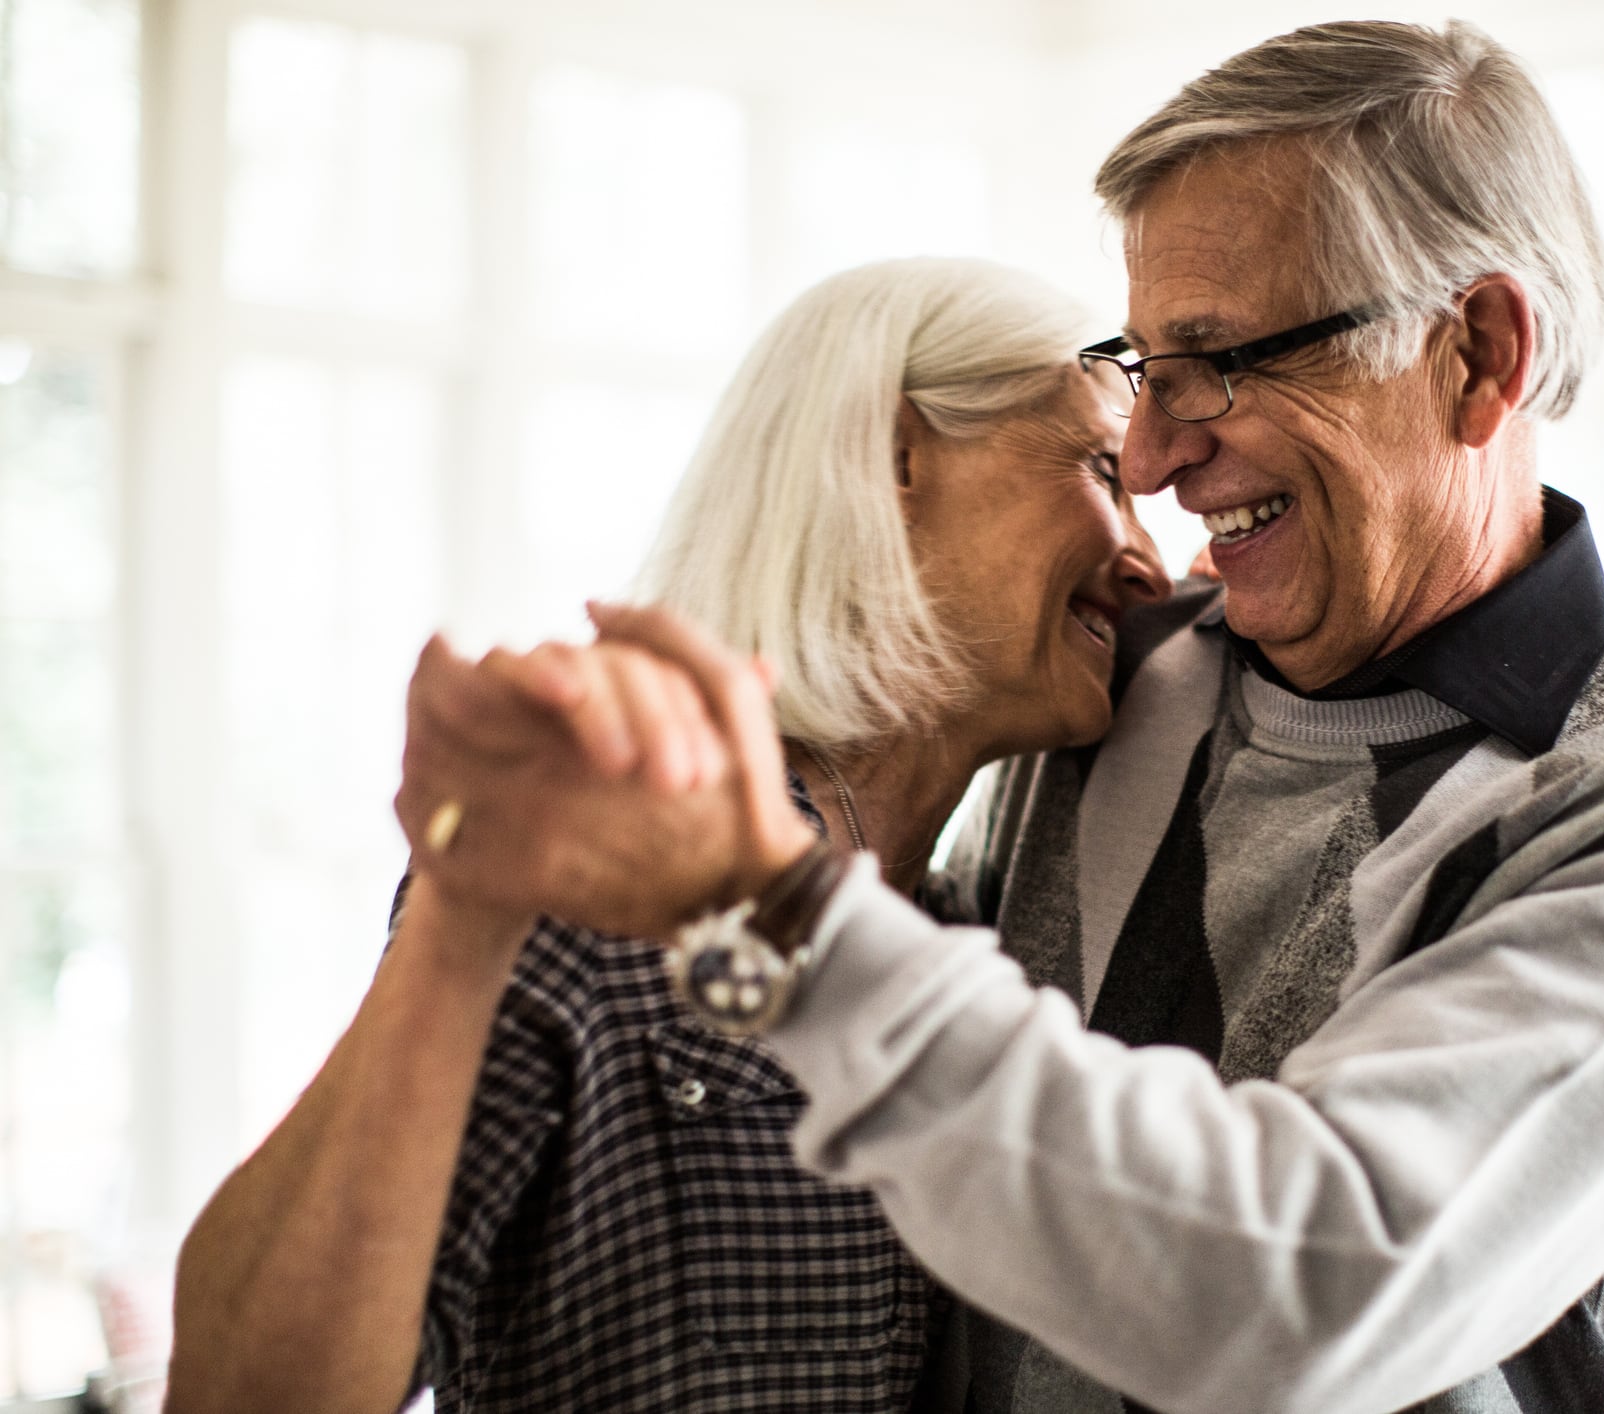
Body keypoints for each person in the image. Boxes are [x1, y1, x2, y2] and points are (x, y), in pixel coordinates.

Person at [397, 19, 1604, 1414]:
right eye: (1141, 370)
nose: (1150, 457)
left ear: (1478, 353)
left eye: (1218, 360)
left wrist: (766, 908)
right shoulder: (1127, 677)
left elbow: (1294, 1301)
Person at [164, 257, 1172, 1413]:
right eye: (1105, 471)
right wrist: (465, 906)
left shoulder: (967, 936)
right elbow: (242, 1395)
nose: (1149, 562)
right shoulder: (605, 873)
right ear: (896, 459)